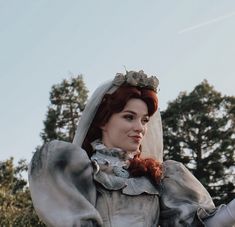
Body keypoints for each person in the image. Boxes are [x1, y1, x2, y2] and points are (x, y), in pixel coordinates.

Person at [29, 70, 235, 227]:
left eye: (144, 120)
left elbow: (202, 224)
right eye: (129, 117)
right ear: (103, 121)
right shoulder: (76, 170)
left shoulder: (161, 177)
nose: (140, 128)